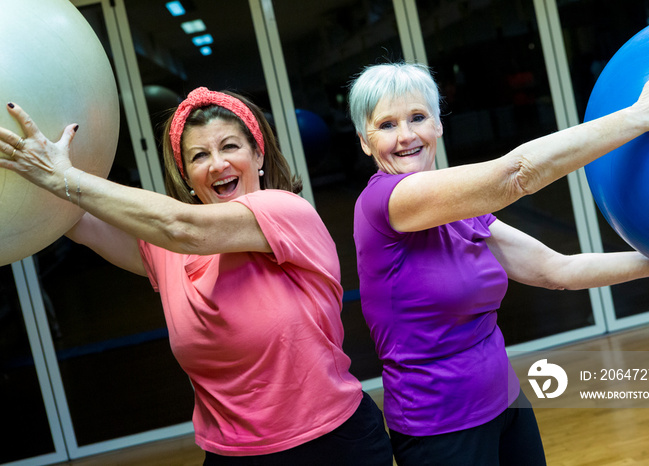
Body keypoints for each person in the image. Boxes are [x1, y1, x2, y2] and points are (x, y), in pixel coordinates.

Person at [0, 87, 393, 465]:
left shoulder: (286, 212)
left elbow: (184, 226)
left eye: (230, 146)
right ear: (187, 176)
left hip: (333, 444)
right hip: (231, 455)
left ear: (258, 155)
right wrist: (30, 164)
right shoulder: (166, 250)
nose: (217, 164)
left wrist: (61, 177)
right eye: (199, 155)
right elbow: (70, 219)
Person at [348, 60, 649, 465]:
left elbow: (556, 270)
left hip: (506, 403)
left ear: (438, 125)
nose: (406, 136)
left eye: (417, 117)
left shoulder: (461, 209)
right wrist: (640, 117)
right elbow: (515, 175)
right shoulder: (384, 202)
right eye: (387, 125)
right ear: (364, 140)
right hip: (440, 428)